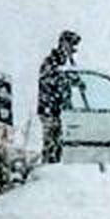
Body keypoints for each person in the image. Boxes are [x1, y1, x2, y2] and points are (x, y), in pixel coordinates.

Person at [38, 30, 80, 164]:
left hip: (60, 111)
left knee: (59, 146)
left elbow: (73, 80)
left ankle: (54, 166)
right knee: (51, 145)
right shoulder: (51, 62)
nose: (73, 48)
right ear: (63, 43)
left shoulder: (64, 62)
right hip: (50, 110)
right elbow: (51, 81)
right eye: (71, 44)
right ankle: (48, 171)